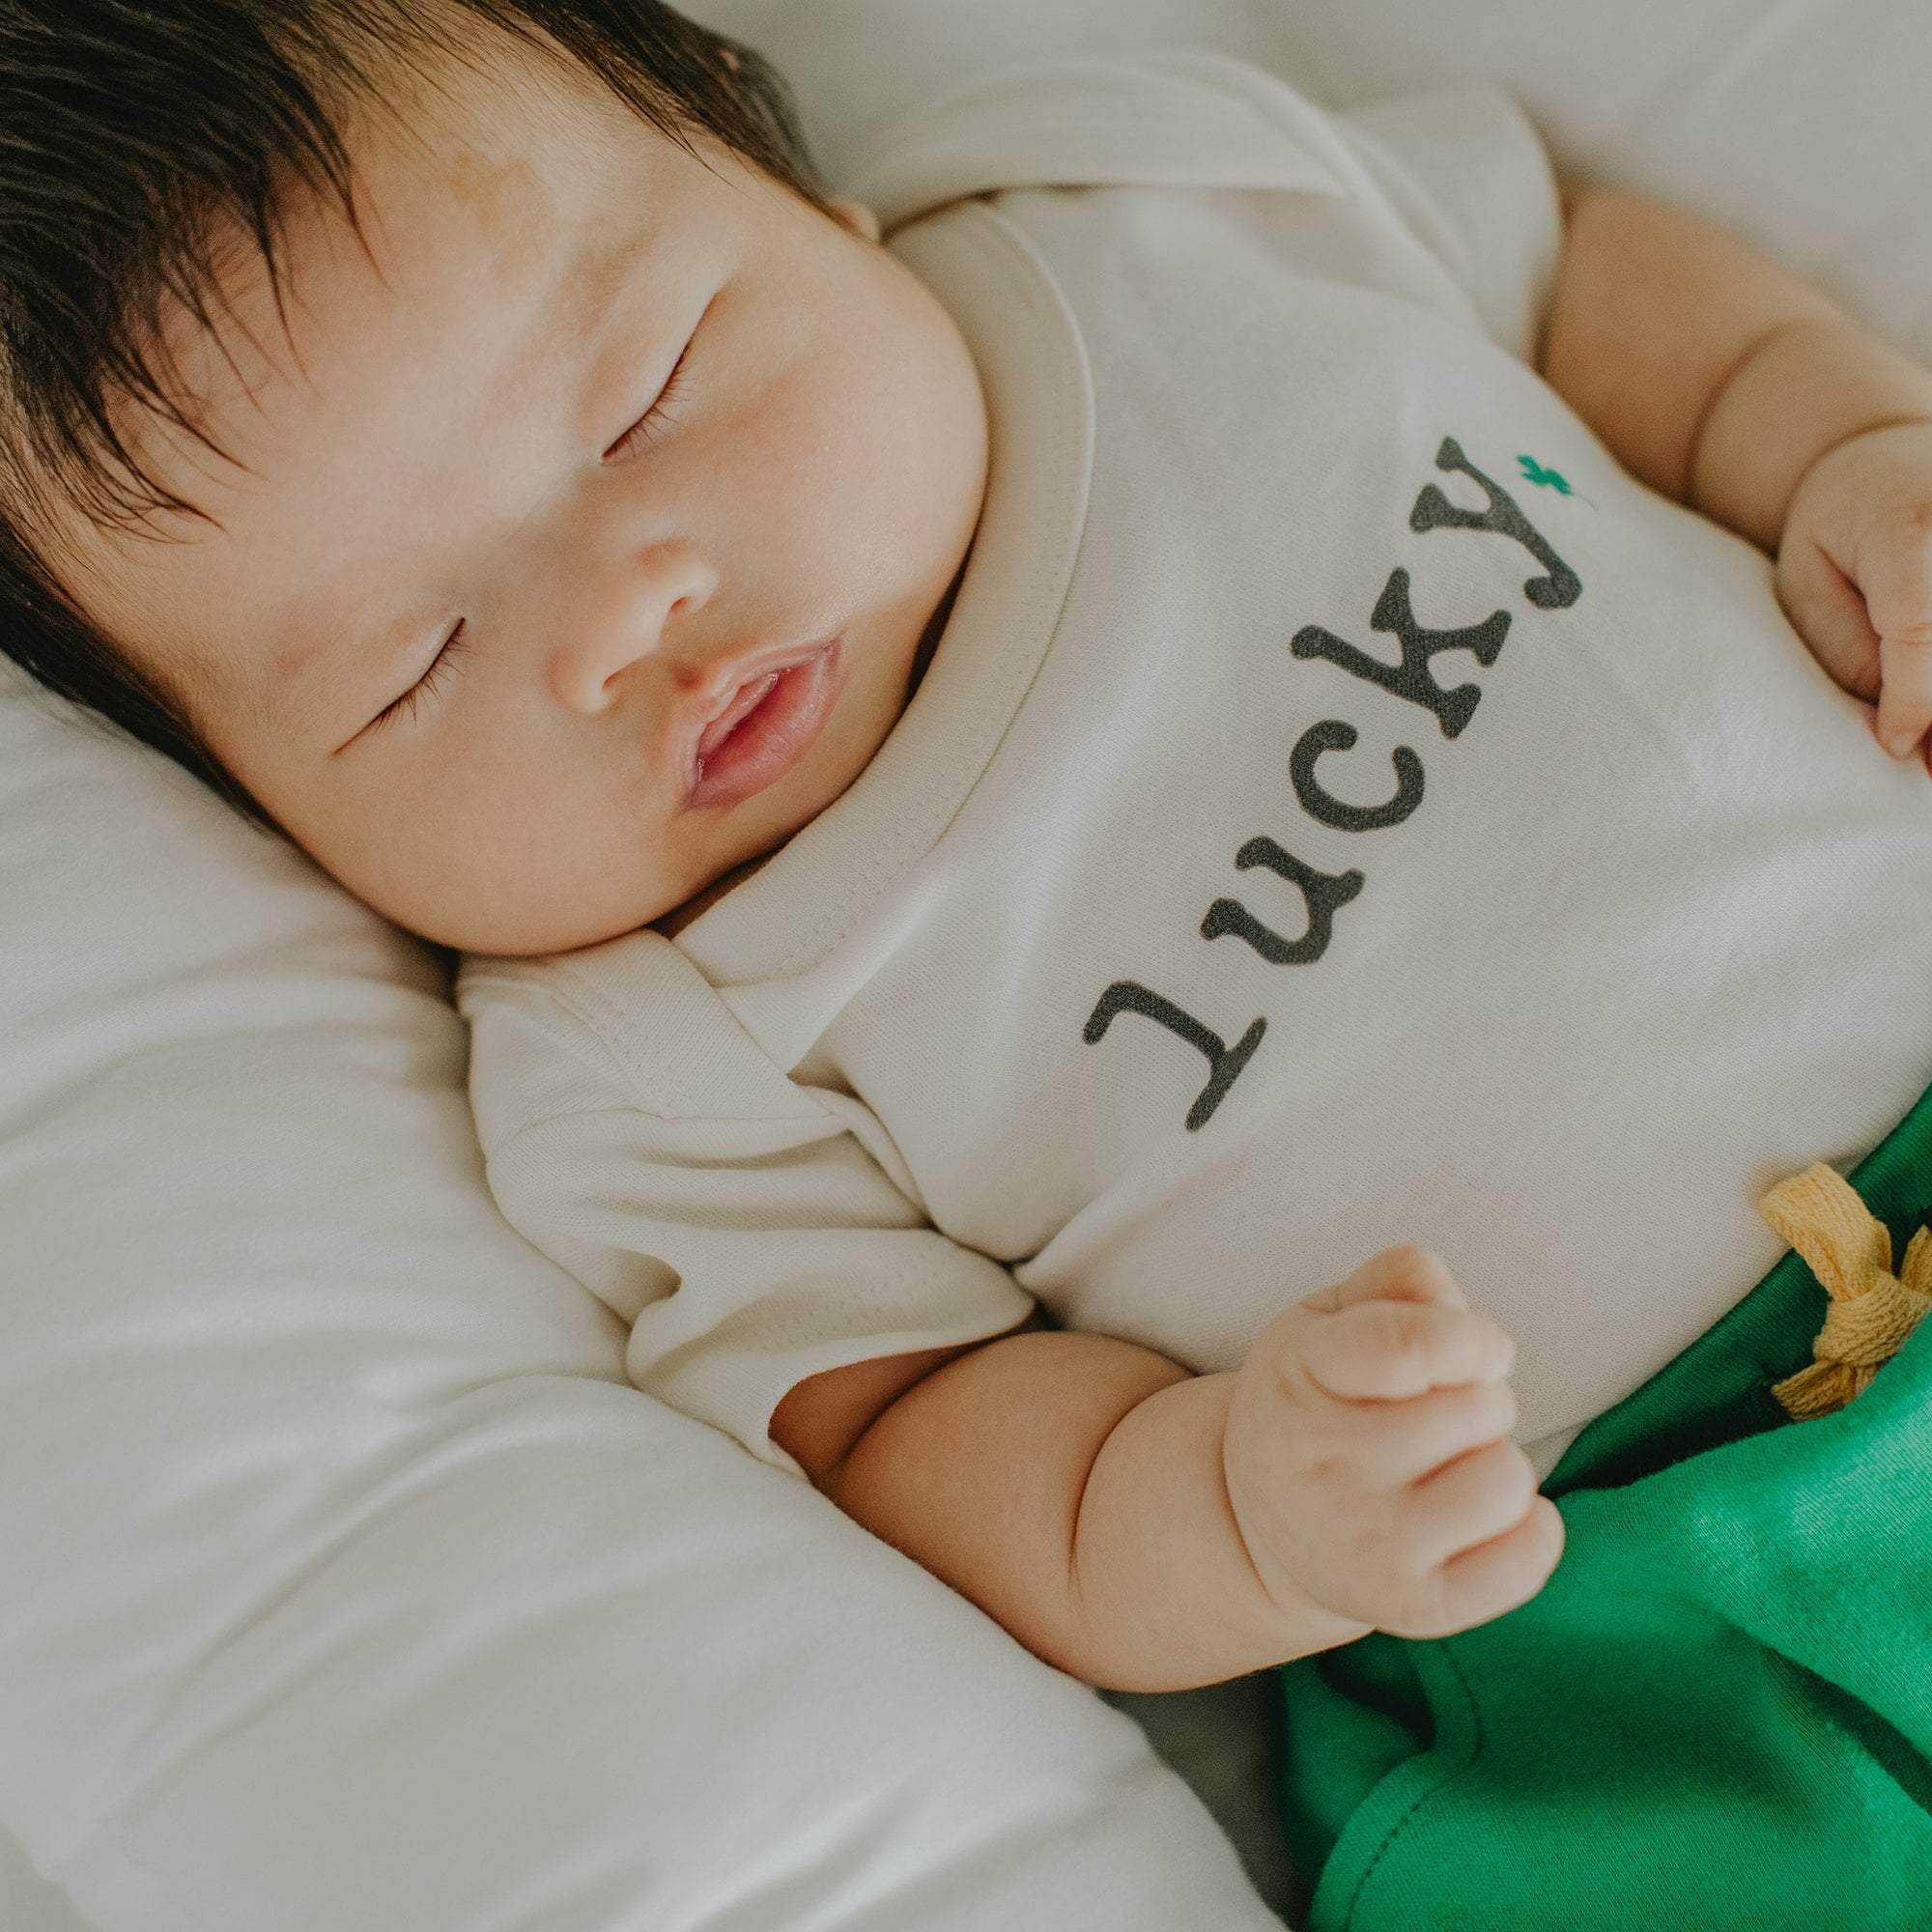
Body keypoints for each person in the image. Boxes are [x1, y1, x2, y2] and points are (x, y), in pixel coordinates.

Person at [5, 6, 1932, 1921]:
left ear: (794, 192)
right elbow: (920, 1440)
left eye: (646, 398)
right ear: (274, 818)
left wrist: (1844, 442)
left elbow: (1574, 273)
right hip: (1629, 1575)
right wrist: (1242, 1509)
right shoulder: (649, 1055)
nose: (622, 611)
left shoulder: (1125, 213)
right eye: (413, 665)